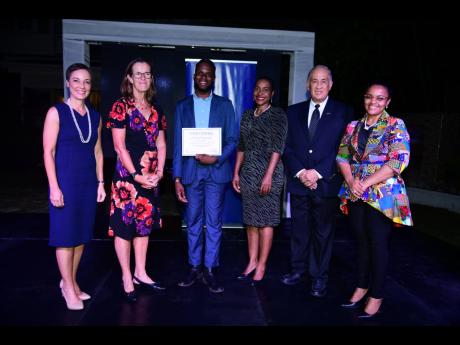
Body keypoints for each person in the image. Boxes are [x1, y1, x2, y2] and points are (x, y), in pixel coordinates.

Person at [336, 82, 413, 318]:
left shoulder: (395, 124)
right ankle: (361, 286)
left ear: (387, 102)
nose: (374, 102)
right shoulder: (353, 126)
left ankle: (376, 295)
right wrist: (351, 182)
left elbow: (399, 160)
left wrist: (365, 183)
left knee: (378, 245)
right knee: (360, 242)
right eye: (370, 97)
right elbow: (342, 156)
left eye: (380, 99)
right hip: (356, 192)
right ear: (364, 99)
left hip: (383, 196)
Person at [281, 65, 353, 297]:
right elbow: (287, 147)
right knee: (299, 230)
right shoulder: (292, 112)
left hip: (326, 183)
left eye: (323, 81)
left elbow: (344, 149)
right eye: (314, 81)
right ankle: (297, 270)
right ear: (307, 84)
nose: (319, 85)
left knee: (323, 233)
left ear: (330, 84)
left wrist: (318, 172)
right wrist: (301, 172)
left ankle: (319, 277)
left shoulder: (344, 112)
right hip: (298, 182)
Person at [43, 63, 106, 310]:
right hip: (65, 183)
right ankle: (68, 287)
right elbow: (48, 152)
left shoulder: (95, 117)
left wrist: (101, 183)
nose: (82, 86)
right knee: (65, 236)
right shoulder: (56, 112)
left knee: (80, 236)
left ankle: (70, 280)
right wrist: (54, 187)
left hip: (88, 184)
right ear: (68, 83)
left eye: (87, 81)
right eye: (77, 81)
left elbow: (99, 151)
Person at [173, 58, 237, 293]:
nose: (203, 77)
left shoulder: (225, 105)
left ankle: (209, 268)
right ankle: (194, 266)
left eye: (208, 74)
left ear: (214, 78)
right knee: (192, 222)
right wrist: (177, 178)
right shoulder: (182, 106)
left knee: (213, 223)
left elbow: (232, 140)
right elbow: (178, 145)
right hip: (190, 173)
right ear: (194, 76)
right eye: (200, 73)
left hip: (216, 172)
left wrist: (217, 157)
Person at [107, 58, 167, 303]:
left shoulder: (157, 109)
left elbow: (161, 144)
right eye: (138, 74)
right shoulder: (120, 107)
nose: (143, 78)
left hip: (151, 177)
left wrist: (160, 172)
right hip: (127, 179)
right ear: (129, 78)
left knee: (143, 226)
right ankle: (126, 276)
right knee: (124, 228)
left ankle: (141, 272)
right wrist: (136, 176)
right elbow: (119, 148)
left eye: (147, 74)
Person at [232, 77, 287, 285]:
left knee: (266, 222)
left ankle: (262, 265)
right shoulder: (247, 115)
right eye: (257, 89)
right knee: (251, 221)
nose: (260, 93)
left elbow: (278, 148)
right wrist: (236, 173)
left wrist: (268, 175)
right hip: (248, 174)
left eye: (266, 90)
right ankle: (251, 262)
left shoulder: (278, 115)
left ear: (272, 94)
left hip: (269, 174)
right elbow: (241, 146)